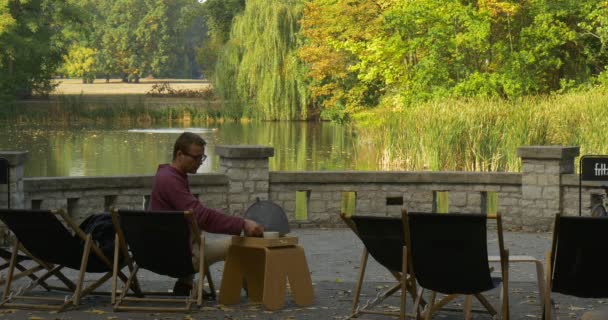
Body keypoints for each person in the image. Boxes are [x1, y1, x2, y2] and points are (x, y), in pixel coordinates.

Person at [150, 132, 264, 296]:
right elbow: (202, 217)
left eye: (201, 158)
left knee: (192, 231)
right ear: (179, 154)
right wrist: (242, 223)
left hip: (164, 252)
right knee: (237, 243)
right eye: (195, 158)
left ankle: (185, 284)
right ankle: (256, 291)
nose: (199, 163)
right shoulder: (171, 181)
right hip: (176, 259)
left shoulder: (167, 175)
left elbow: (193, 218)